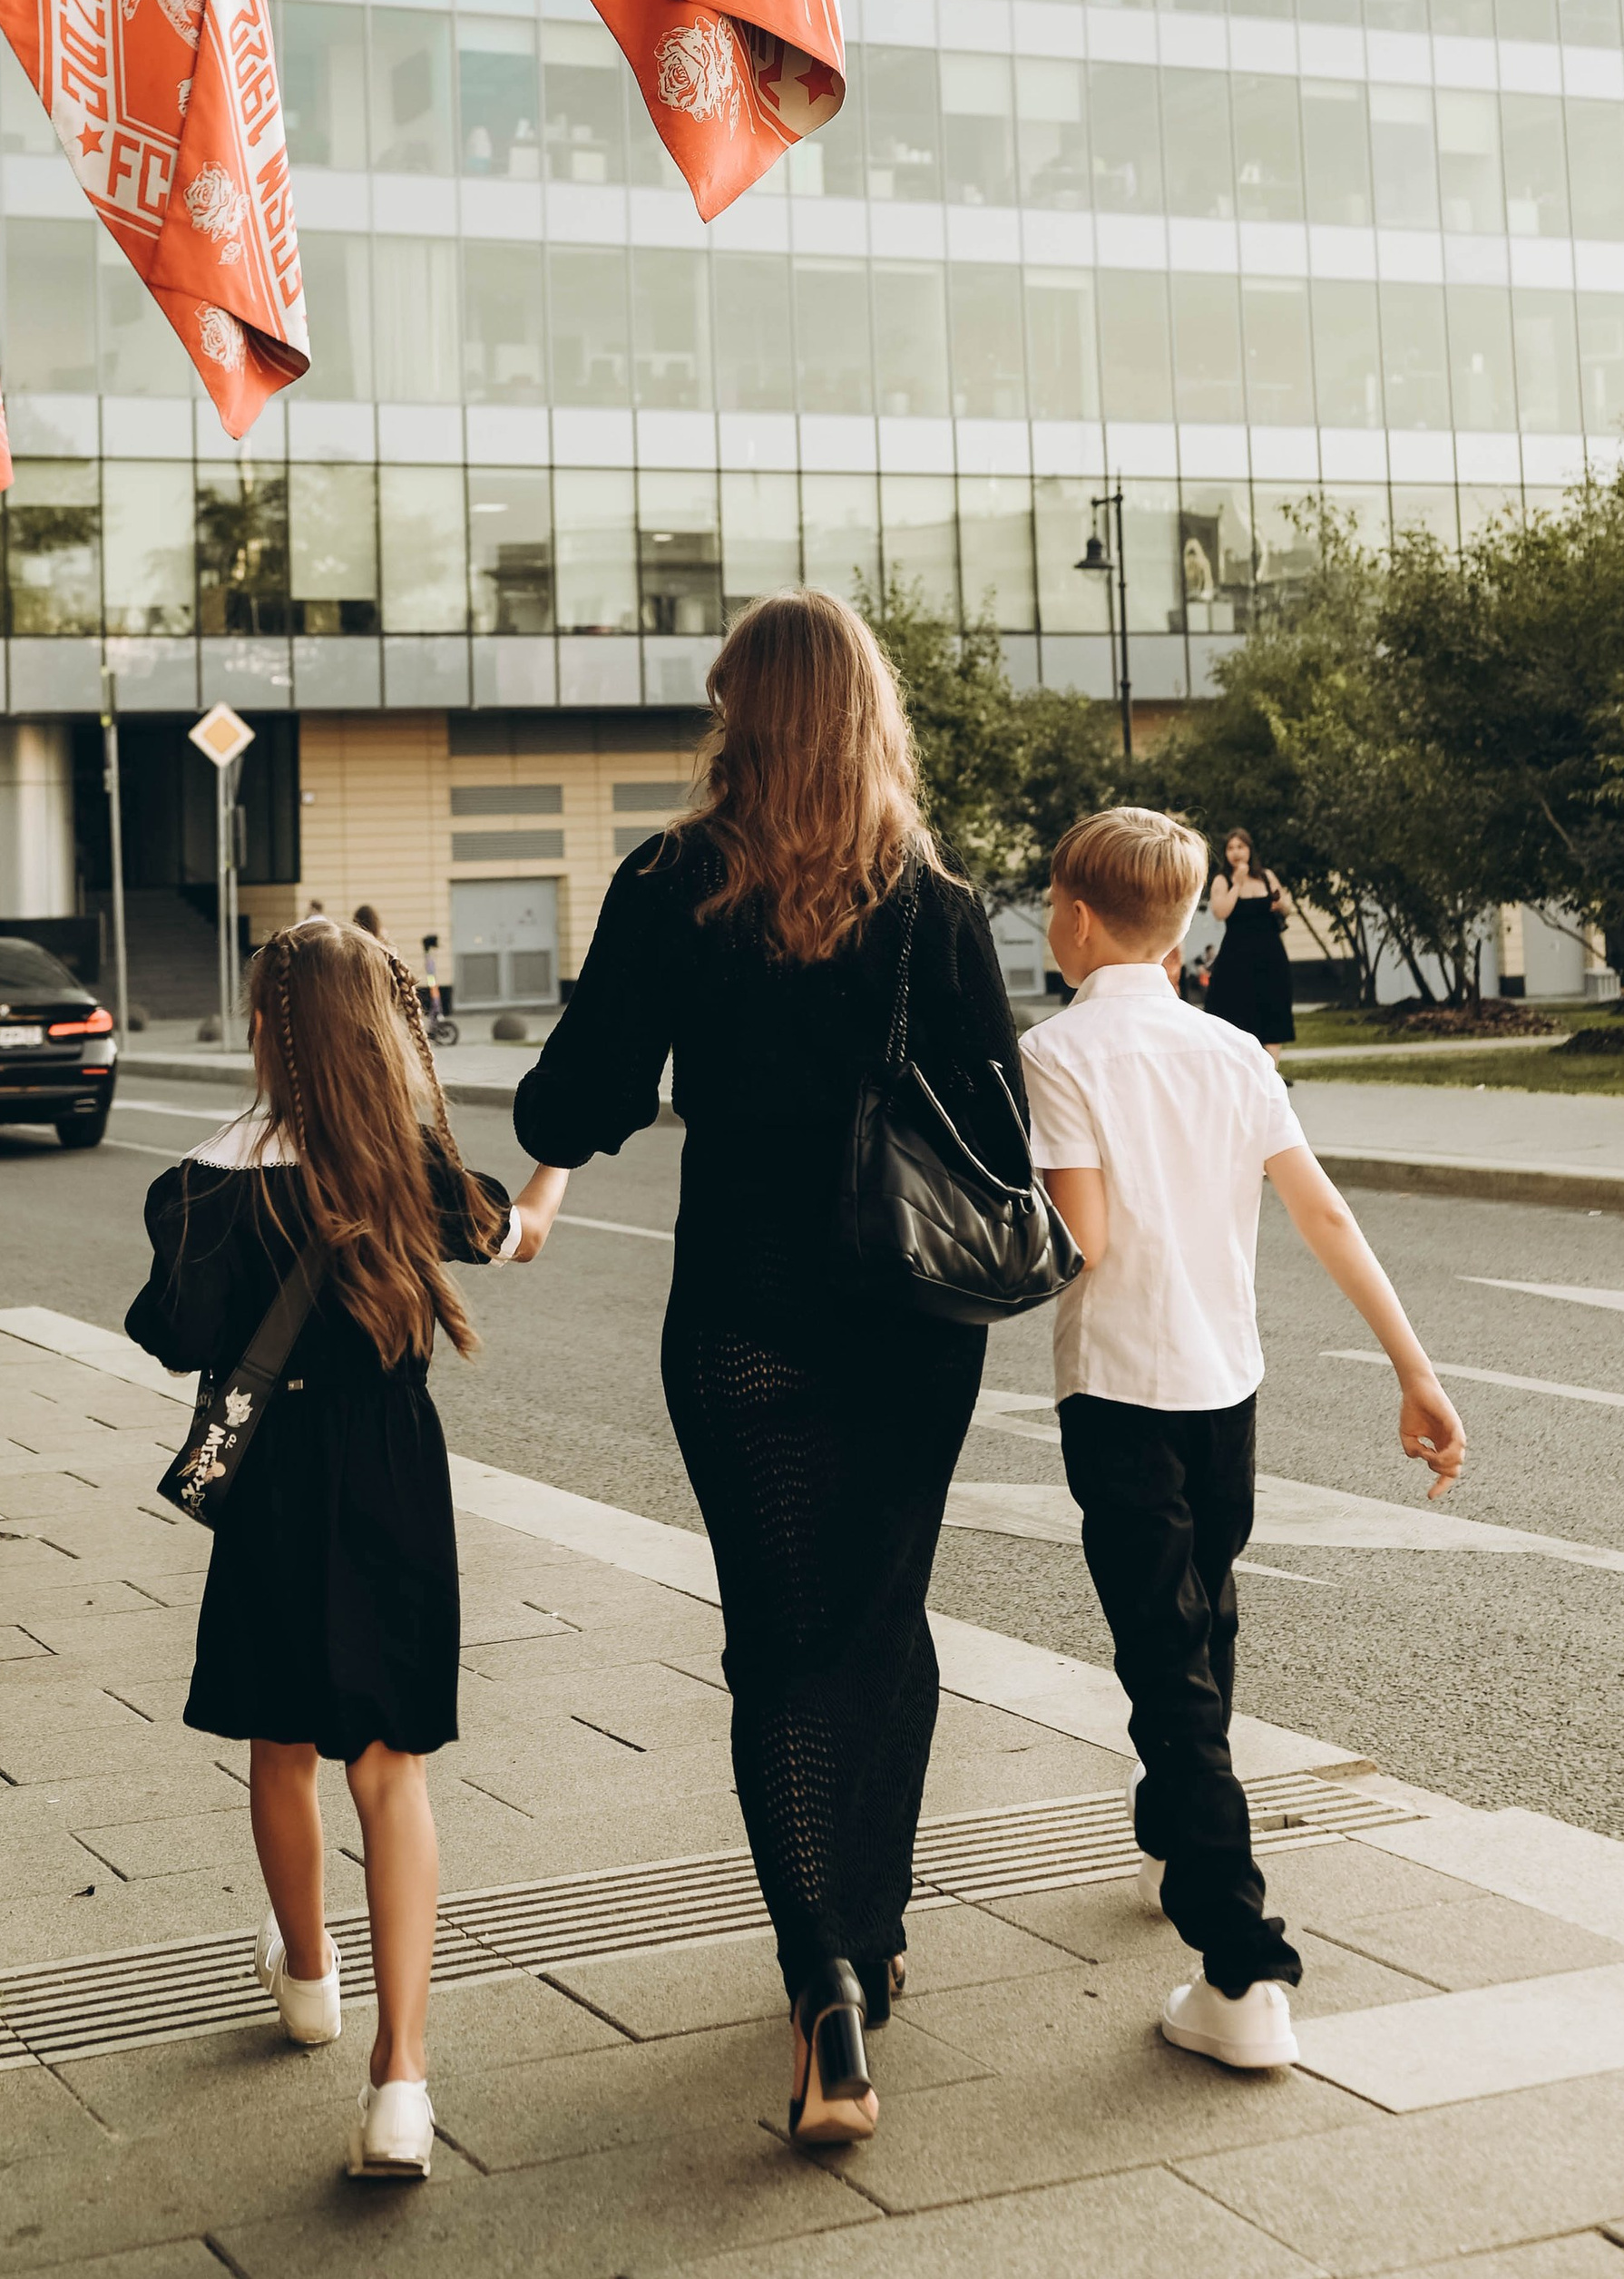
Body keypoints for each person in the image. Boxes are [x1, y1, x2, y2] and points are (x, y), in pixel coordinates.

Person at [513, 590, 1024, 2149]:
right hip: (912, 1327)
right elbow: (999, 1138)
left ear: (741, 713)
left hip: (741, 1319)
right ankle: (871, 1930)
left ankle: (825, 1988)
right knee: (881, 1620)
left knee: (776, 1647)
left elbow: (578, 1094)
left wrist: (546, 1141)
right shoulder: (936, 905)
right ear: (872, 714)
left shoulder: (673, 884)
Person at [124, 918, 570, 2180]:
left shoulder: (204, 1176)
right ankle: (401, 2082)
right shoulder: (407, 1161)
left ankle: (309, 1977)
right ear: (374, 1029)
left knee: (279, 1739)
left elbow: (171, 1329)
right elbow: (515, 1233)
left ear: (266, 1028)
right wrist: (559, 1167)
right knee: (392, 1765)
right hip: (386, 1465)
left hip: (270, 1479)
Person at [1022, 808, 1465, 2074]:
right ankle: (1174, 1829)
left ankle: (1243, 1967)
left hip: (1117, 1390)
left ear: (1082, 915)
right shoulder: (1229, 1049)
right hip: (1228, 1389)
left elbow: (1082, 1240)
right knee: (1203, 1621)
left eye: (1054, 897)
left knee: (1170, 1665)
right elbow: (1319, 1208)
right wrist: (1413, 1366)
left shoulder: (1055, 1049)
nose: (1050, 916)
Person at [1205, 827, 1295, 1055]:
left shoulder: (1266, 876)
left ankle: (1272, 1075)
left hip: (1270, 954)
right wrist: (1237, 883)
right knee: (1236, 1014)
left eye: (1240, 847)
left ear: (1249, 849)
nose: (1236, 853)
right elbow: (1220, 912)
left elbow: (1287, 906)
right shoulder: (1222, 880)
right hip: (1237, 957)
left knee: (1274, 1013)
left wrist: (1280, 905)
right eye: (1230, 848)